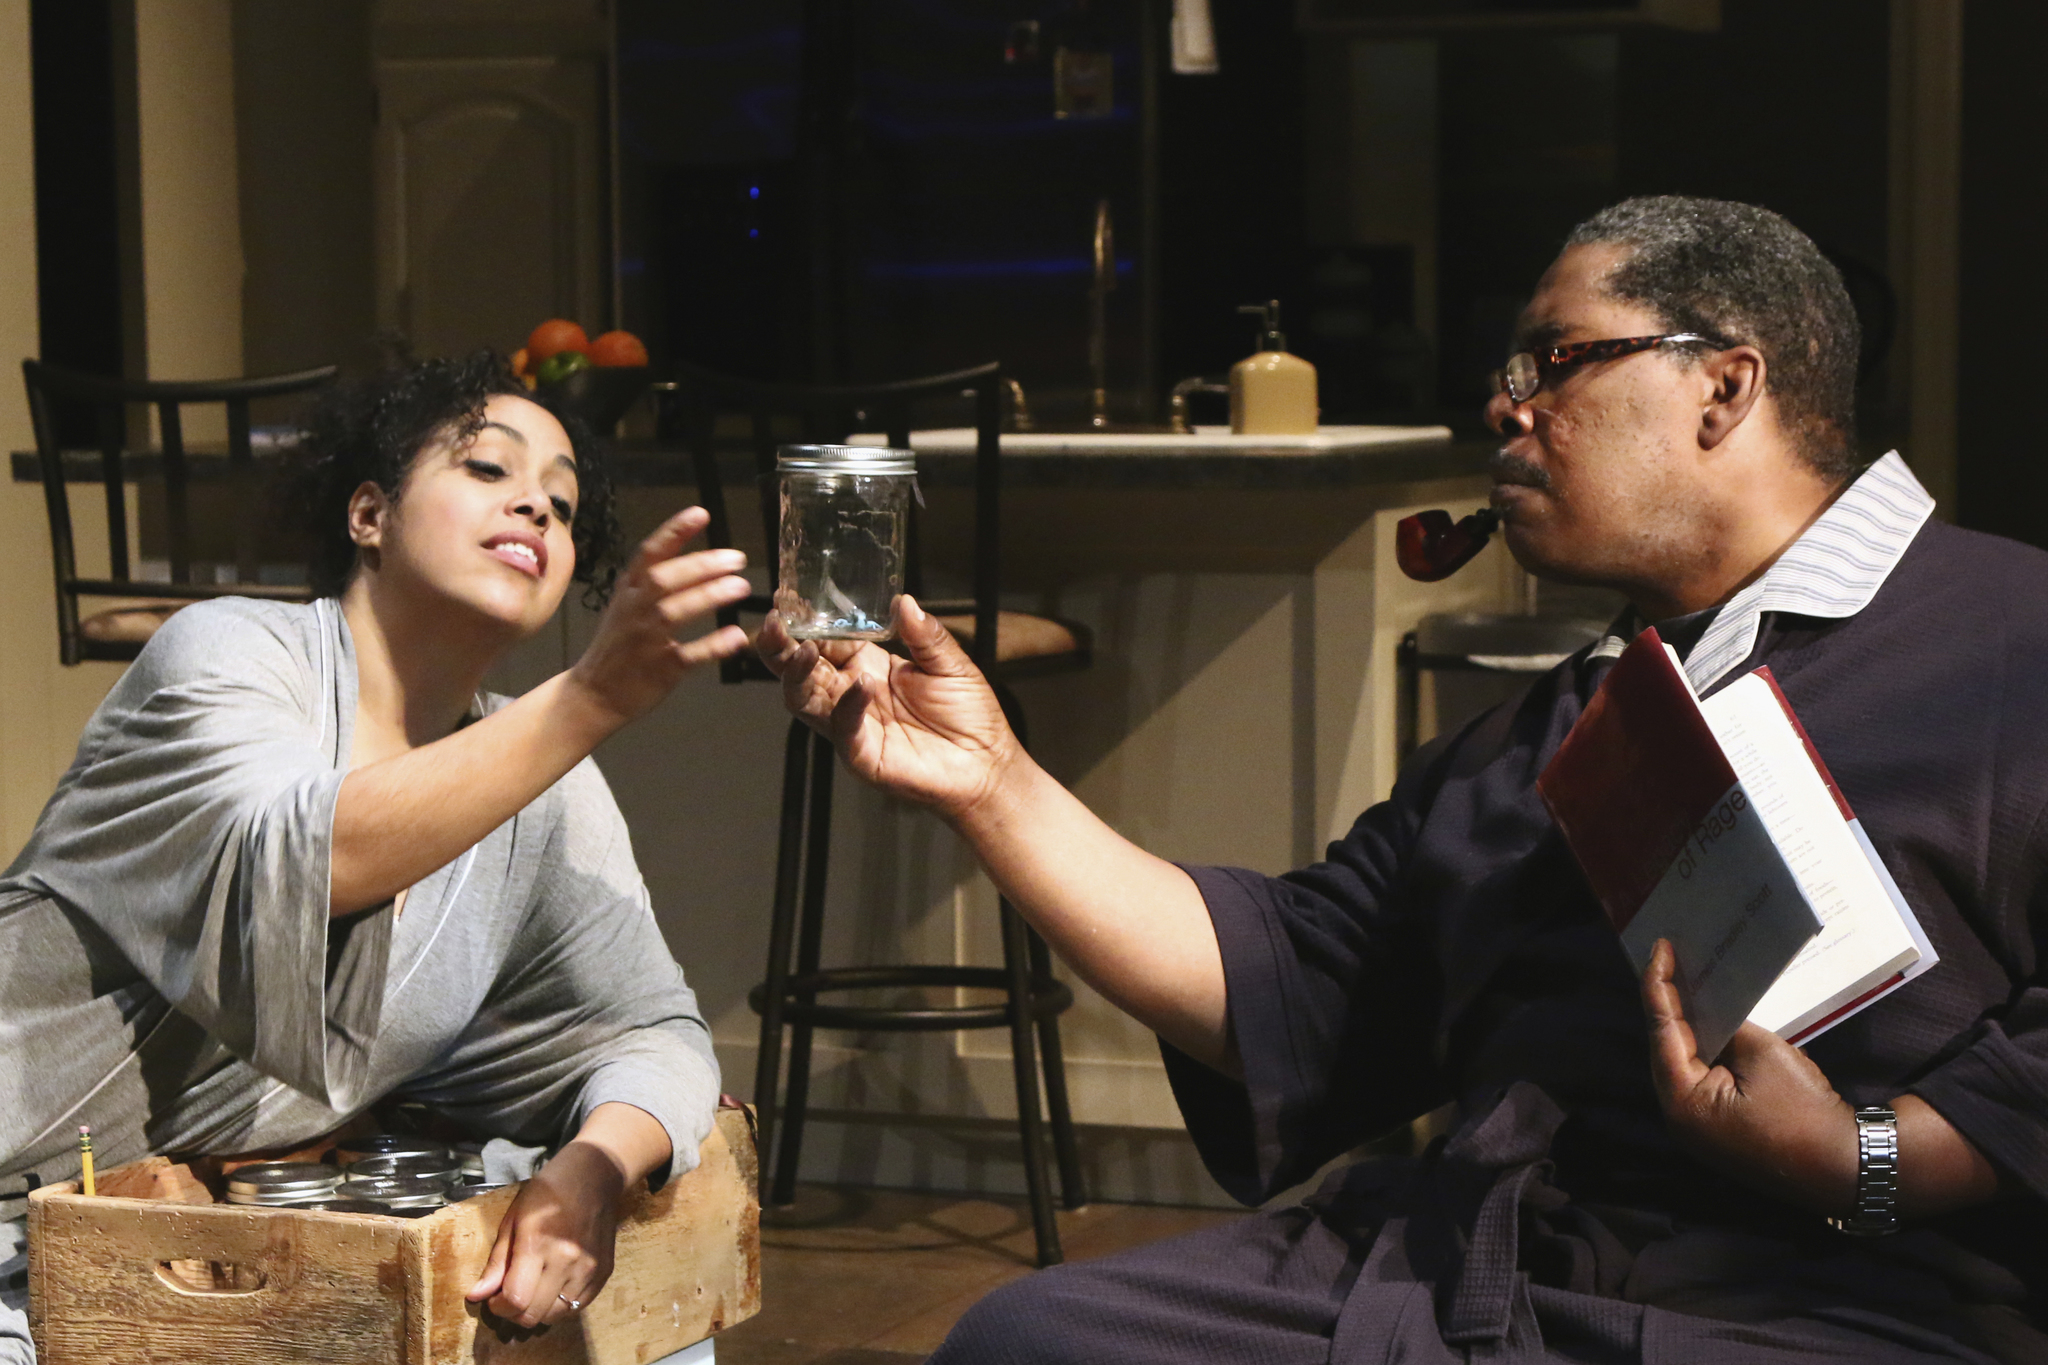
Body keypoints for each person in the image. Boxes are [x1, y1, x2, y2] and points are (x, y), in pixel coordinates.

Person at [759, 197, 2047, 1363]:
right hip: (1467, 1272)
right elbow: (1295, 985)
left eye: (1553, 360)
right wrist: (991, 784)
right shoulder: (1557, 727)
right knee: (1033, 1339)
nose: (1505, 407)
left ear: (1723, 385)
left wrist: (1872, 1160)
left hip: (1831, 1294)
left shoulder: (2009, 640)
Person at [0, 353, 755, 1363]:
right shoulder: (228, 654)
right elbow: (299, 861)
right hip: (23, 1227)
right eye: (487, 468)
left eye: (564, 503)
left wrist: (593, 1171)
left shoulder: (543, 785)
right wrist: (586, 701)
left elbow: (651, 1027)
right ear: (369, 514)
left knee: (645, 1310)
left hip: (210, 1251)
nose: (535, 505)